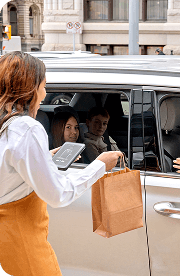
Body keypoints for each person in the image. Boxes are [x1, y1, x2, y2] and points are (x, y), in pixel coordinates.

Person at [0, 51, 123, 276]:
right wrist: (99, 166)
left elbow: (7, 172)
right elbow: (58, 194)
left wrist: (44, 157)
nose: (45, 94)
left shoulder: (6, 126)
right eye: (43, 86)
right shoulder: (27, 127)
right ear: (29, 88)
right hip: (20, 239)